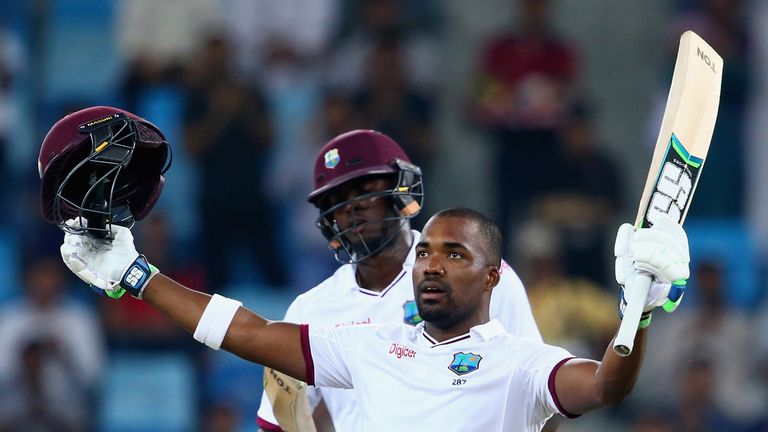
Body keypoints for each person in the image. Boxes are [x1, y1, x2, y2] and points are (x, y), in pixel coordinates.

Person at [56, 205, 689, 431]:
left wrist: (640, 313)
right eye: (425, 252)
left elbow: (607, 385)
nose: (432, 265)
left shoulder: (523, 363)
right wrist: (137, 276)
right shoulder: (369, 344)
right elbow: (247, 332)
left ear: (494, 277)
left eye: (456, 254)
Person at [255, 129, 542, 431]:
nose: (352, 209)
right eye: (337, 200)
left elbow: (537, 392)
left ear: (402, 189)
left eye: (365, 190)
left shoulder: (478, 275)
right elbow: (281, 420)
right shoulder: (309, 310)